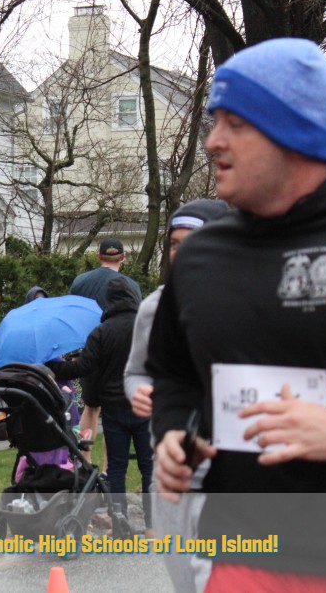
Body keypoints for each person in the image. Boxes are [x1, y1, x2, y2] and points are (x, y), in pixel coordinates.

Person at [149, 38, 326, 586]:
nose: (212, 142)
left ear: (294, 133)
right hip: (245, 558)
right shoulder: (202, 259)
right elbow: (173, 374)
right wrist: (173, 432)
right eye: (213, 123)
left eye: (235, 124)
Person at [123, 198, 228, 592]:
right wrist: (140, 392)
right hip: (170, 475)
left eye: (192, 242)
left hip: (229, 475)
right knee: (184, 581)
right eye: (174, 244)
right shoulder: (154, 307)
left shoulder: (247, 304)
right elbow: (135, 371)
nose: (180, 253)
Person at [48, 276, 147, 533]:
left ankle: (119, 524)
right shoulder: (147, 326)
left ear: (108, 302)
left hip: (114, 408)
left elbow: (82, 367)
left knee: (116, 469)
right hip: (144, 405)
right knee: (149, 467)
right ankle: (153, 527)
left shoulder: (101, 332)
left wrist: (53, 365)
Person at [70, 238, 142, 462]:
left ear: (98, 256)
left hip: (88, 351)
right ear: (123, 257)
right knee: (115, 414)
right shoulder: (130, 285)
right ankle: (110, 467)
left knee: (90, 409)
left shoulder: (80, 282)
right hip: (118, 355)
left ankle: (85, 459)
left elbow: (72, 313)